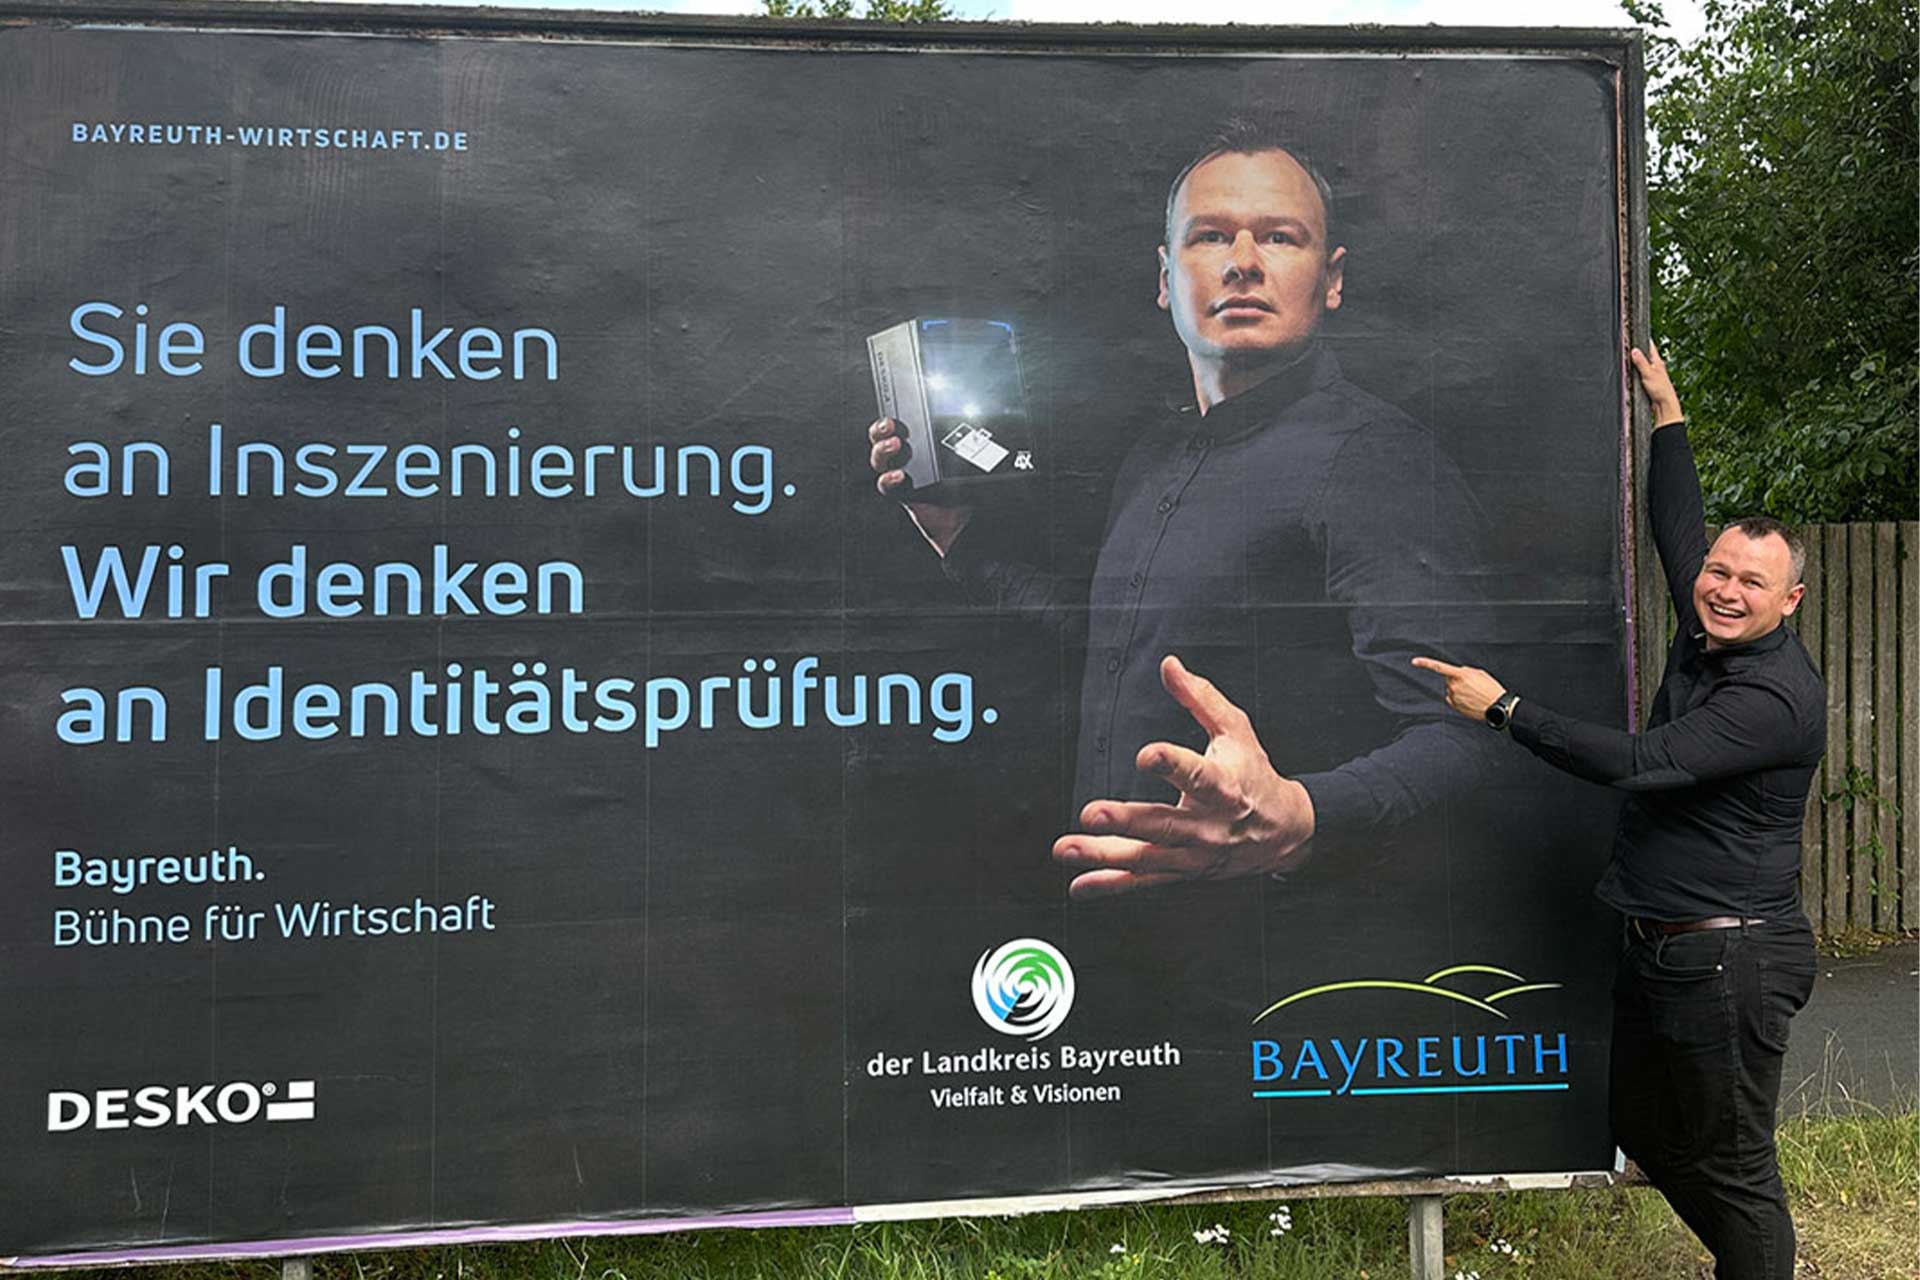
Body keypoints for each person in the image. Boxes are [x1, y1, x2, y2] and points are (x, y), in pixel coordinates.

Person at [867, 117, 1499, 897]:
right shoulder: (1156, 454)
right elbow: (1117, 640)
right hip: (1121, 945)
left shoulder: (1377, 460)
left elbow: (1471, 736)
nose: (1241, 264)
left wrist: (1301, 814)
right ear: (1167, 279)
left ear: (1331, 278)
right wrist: (959, 538)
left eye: (1279, 237)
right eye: (1209, 237)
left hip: (1277, 964)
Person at [1413, 344, 1824, 1280]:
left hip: (1733, 956)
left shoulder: (1771, 698)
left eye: (1750, 583)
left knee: (1737, 1165)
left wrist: (1504, 710)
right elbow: (1678, 526)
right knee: (1643, 1126)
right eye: (1721, 573)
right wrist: (1669, 415)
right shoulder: (1708, 621)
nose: (1722, 588)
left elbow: (1643, 765)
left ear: (1789, 600)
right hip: (1665, 945)